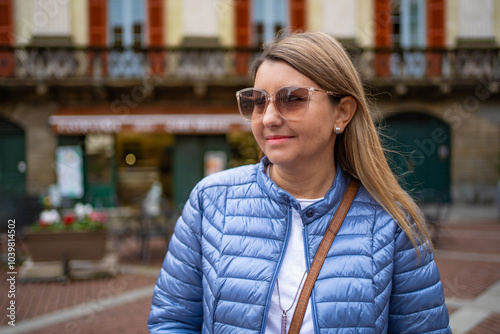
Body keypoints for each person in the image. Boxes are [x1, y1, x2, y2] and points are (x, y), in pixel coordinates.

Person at [148, 31, 451, 333]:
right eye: (257, 101)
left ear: (342, 112)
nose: (268, 118)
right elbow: (172, 321)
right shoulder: (211, 200)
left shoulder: (392, 221)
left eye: (291, 98)